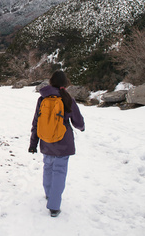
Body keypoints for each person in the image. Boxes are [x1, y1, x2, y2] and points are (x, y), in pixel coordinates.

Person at [29, 70, 85, 217]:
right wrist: (82, 128)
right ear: (65, 83)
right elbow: (78, 122)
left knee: (48, 167)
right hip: (63, 142)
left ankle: (48, 194)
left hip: (46, 140)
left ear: (51, 82)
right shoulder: (67, 99)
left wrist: (33, 143)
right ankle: (54, 206)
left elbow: (36, 122)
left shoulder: (42, 99)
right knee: (59, 171)